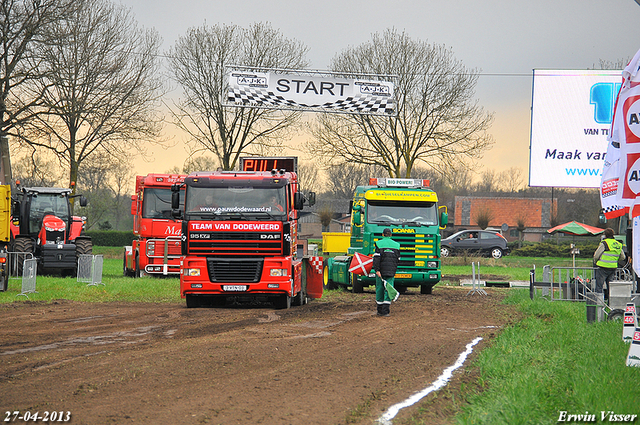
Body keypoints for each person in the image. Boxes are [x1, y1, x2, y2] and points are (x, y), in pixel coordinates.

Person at [372, 228, 401, 317]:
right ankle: (386, 311)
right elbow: (398, 259)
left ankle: (379, 310)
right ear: (391, 235)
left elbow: (376, 259)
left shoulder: (378, 244)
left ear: (383, 234)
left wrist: (377, 270)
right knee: (389, 289)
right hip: (391, 272)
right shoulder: (397, 245)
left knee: (380, 289)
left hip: (381, 272)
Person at [593, 227, 625, 296]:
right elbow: (623, 257)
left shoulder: (604, 243)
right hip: (613, 268)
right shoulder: (618, 244)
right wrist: (615, 260)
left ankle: (600, 303)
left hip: (602, 267)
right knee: (610, 287)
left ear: (605, 235)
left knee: (599, 286)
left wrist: (596, 261)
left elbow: (596, 255)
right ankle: (610, 303)